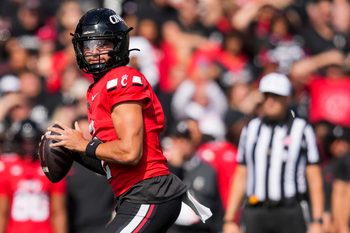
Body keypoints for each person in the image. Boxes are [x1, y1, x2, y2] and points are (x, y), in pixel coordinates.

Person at [45, 8, 211, 233]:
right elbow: (113, 163)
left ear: (119, 45)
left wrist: (84, 145)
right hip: (134, 195)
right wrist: (75, 151)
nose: (94, 52)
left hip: (150, 193)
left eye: (103, 44)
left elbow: (130, 152)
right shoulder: (98, 88)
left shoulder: (122, 79)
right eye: (89, 45)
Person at [223, 73, 324, 233]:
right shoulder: (251, 129)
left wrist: (318, 220)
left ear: (287, 99)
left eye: (276, 96)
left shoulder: (301, 129)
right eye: (267, 96)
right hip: (256, 210)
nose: (270, 101)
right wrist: (229, 219)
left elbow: (314, 176)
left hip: (290, 210)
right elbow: (242, 174)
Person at [0, 119, 67, 233]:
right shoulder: (7, 168)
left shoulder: (50, 168)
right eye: (25, 142)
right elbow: (2, 212)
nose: (28, 147)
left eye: (31, 142)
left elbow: (58, 212)